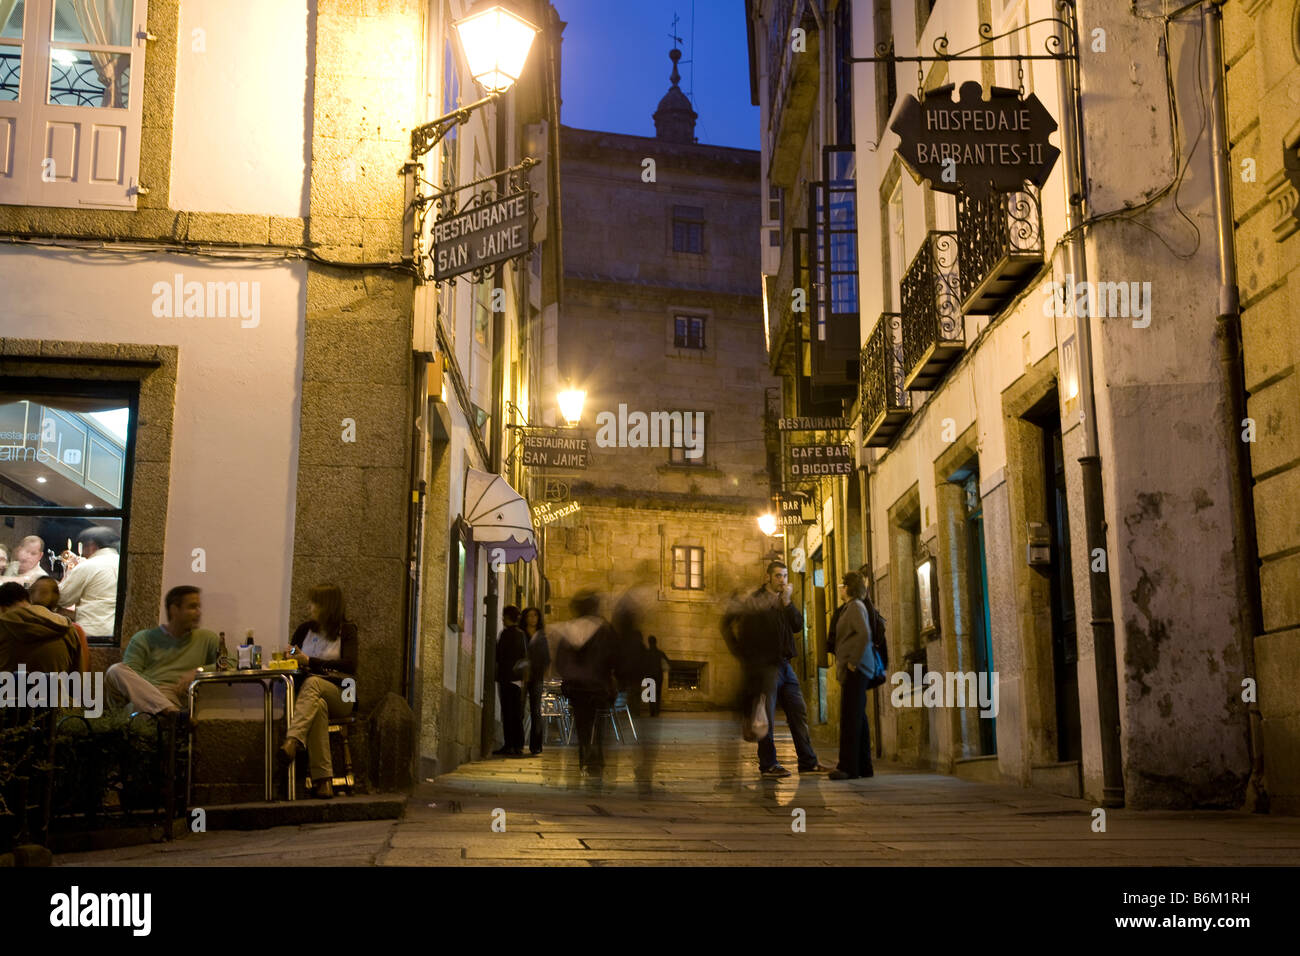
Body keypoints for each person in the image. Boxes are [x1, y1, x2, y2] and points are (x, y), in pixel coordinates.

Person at [739, 561, 831, 778]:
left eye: (785, 576)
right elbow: (747, 634)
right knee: (766, 718)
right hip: (766, 667)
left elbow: (798, 625)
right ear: (767, 577)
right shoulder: (757, 601)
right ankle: (768, 764)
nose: (782, 580)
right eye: (778, 576)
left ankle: (808, 762)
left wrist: (788, 603)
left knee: (798, 712)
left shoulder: (784, 601)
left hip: (785, 665)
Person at [279, 584, 358, 799]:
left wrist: (310, 661)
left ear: (327, 606)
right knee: (318, 707)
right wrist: (290, 653)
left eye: (314, 602)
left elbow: (350, 665)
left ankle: (293, 739)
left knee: (314, 683)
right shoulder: (305, 629)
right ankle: (324, 782)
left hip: (343, 694)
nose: (310, 607)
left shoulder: (347, 630)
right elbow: (296, 652)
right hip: (313, 697)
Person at [105, 585, 219, 715]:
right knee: (115, 670)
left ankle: (168, 713)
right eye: (192, 607)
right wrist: (155, 689)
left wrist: (199, 672)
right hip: (148, 695)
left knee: (141, 712)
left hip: (176, 696)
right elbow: (131, 678)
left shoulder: (206, 638)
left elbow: (230, 663)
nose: (198, 612)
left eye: (199, 607)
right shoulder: (144, 638)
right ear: (174, 610)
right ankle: (171, 714)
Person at [554, 590, 617, 776]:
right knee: (599, 723)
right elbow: (613, 656)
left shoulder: (568, 629)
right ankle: (596, 757)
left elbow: (560, 661)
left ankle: (584, 751)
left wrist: (570, 675)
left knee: (582, 722)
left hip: (576, 687)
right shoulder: (604, 628)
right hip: (599, 686)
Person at [830, 572, 880, 780]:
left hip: (856, 670)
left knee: (850, 718)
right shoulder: (850, 608)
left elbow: (864, 634)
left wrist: (853, 661)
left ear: (849, 587)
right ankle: (864, 767)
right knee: (859, 717)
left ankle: (848, 767)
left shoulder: (856, 607)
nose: (840, 588)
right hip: (855, 669)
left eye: (842, 585)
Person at [0, 580, 81, 675]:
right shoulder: (68, 628)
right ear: (28, 600)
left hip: (10, 689)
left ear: (2, 608)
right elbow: (79, 675)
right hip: (58, 689)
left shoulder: (3, 626)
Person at [57, 527, 120, 640]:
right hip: (117, 632)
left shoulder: (87, 565)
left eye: (83, 546)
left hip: (91, 632)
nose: (83, 552)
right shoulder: (122, 563)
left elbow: (63, 598)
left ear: (92, 545)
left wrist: (68, 574)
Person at [28, 576, 90, 672]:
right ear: (57, 598)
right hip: (59, 686)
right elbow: (82, 671)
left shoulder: (11, 625)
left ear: (30, 596)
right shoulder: (74, 630)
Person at [492, 605, 528, 757]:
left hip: (506, 677)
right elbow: (524, 656)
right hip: (517, 679)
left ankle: (509, 745)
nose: (502, 619)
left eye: (504, 616)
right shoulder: (521, 635)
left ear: (508, 617)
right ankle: (518, 745)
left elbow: (498, 655)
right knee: (517, 713)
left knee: (507, 713)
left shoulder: (505, 634)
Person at [522, 606, 550, 756]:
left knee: (536, 711)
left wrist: (540, 669)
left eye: (535, 616)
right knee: (518, 710)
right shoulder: (522, 634)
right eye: (529, 616)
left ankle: (536, 745)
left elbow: (546, 658)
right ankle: (517, 743)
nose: (532, 618)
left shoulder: (541, 637)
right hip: (521, 677)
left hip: (536, 677)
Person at [643, 635, 670, 716]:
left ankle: (652, 711)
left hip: (649, 676)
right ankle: (657, 711)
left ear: (649, 642)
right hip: (658, 676)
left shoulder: (646, 653)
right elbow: (668, 662)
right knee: (658, 694)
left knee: (651, 694)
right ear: (656, 642)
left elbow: (643, 665)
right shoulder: (660, 653)